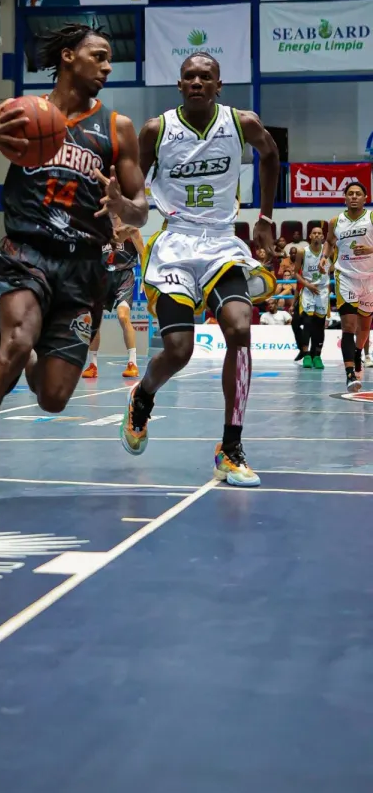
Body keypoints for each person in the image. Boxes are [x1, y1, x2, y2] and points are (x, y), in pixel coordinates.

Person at [0, 22, 148, 511]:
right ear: (69, 57)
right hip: (26, 252)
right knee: (14, 343)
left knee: (52, 397)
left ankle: (28, 349)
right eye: (99, 55)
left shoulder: (117, 129)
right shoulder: (19, 113)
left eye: (110, 58)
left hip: (83, 269)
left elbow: (140, 208)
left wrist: (122, 203)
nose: (108, 66)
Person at [121, 51, 279, 488]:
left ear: (218, 85)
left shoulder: (241, 122)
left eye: (204, 76)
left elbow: (270, 154)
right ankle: (143, 396)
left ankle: (230, 447)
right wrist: (121, 217)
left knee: (239, 328)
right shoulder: (157, 130)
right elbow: (133, 187)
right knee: (178, 350)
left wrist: (265, 215)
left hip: (221, 244)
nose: (196, 82)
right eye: (189, 75)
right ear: (179, 84)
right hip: (174, 243)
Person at [322, 181, 373, 393]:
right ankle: (350, 373)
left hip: (370, 278)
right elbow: (329, 241)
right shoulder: (336, 221)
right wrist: (325, 257)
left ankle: (359, 352)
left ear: (365, 197)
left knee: (364, 328)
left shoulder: (371, 217)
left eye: (358, 193)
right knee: (348, 327)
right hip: (345, 276)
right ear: (345, 197)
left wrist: (370, 248)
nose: (354, 196)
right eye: (350, 193)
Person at [83, 224, 144, 379]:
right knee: (94, 321)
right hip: (103, 277)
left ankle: (132, 363)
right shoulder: (98, 230)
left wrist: (145, 277)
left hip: (124, 276)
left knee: (123, 316)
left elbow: (144, 255)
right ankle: (92, 365)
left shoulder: (131, 230)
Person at [294, 225, 329, 368]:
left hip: (322, 291)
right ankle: (306, 354)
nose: (316, 235)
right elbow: (296, 272)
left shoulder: (327, 252)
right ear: (310, 236)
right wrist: (307, 285)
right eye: (314, 233)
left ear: (322, 237)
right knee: (307, 323)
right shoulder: (302, 252)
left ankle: (317, 356)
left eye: (319, 233)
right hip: (308, 290)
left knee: (319, 325)